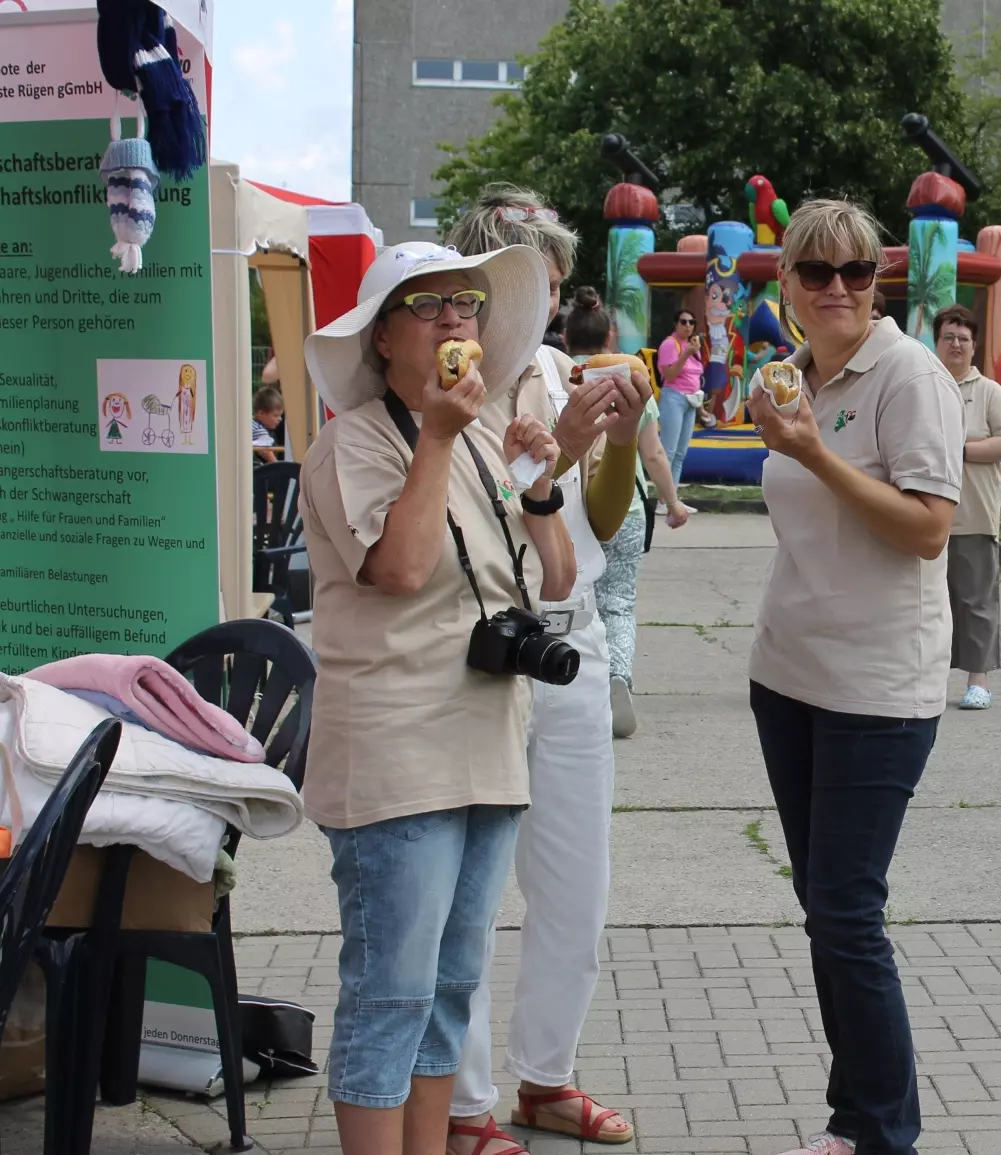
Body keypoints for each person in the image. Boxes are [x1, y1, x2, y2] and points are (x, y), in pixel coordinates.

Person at [300, 240, 601, 1155]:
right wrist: (433, 435)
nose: (454, 321)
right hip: (395, 753)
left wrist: (543, 482)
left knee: (451, 986)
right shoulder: (351, 440)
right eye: (427, 307)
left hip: (487, 739)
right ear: (383, 336)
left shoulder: (480, 434)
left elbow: (552, 580)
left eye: (465, 304)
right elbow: (398, 568)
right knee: (390, 992)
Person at [744, 199, 963, 1155]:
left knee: (846, 910)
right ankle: (856, 1121)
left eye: (859, 272)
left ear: (880, 280)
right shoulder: (792, 375)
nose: (838, 288)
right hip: (789, 675)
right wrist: (794, 439)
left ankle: (880, 1132)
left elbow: (927, 529)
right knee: (824, 908)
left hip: (878, 686)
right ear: (786, 283)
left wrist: (811, 453)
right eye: (818, 271)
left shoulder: (909, 375)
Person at [441, 189, 648, 1154]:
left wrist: (608, 439)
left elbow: (602, 522)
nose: (550, 309)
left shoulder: (561, 370)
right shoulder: (450, 391)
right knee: (473, 886)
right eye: (536, 285)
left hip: (572, 640)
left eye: (557, 288)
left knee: (576, 882)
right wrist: (552, 451)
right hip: (482, 652)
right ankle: (463, 1102)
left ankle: (546, 1077)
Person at [569, 290, 691, 739]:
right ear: (610, 339)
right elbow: (655, 453)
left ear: (566, 334)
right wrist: (673, 501)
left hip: (569, 510)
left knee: (575, 602)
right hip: (627, 507)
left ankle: (575, 684)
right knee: (617, 603)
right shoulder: (632, 381)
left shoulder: (557, 378)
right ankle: (617, 676)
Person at [933, 303, 1001, 711]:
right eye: (949, 337)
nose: (956, 345)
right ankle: (927, 678)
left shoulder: (989, 392)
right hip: (923, 512)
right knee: (925, 602)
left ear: (974, 346)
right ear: (936, 342)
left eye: (963, 339)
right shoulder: (923, 385)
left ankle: (978, 681)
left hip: (973, 513)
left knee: (974, 600)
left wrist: (963, 450)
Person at [656, 309, 706, 484]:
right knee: (668, 452)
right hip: (674, 398)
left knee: (680, 454)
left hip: (691, 401)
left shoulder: (692, 345)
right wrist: (685, 355)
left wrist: (701, 407)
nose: (688, 326)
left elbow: (695, 378)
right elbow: (669, 375)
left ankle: (672, 499)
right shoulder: (670, 344)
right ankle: (664, 499)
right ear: (675, 324)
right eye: (683, 322)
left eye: (692, 322)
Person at [252, 386, 284, 464]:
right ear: (261, 413)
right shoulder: (258, 429)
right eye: (275, 415)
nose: (280, 419)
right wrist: (278, 466)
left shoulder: (254, 424)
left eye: (280, 415)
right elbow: (265, 450)